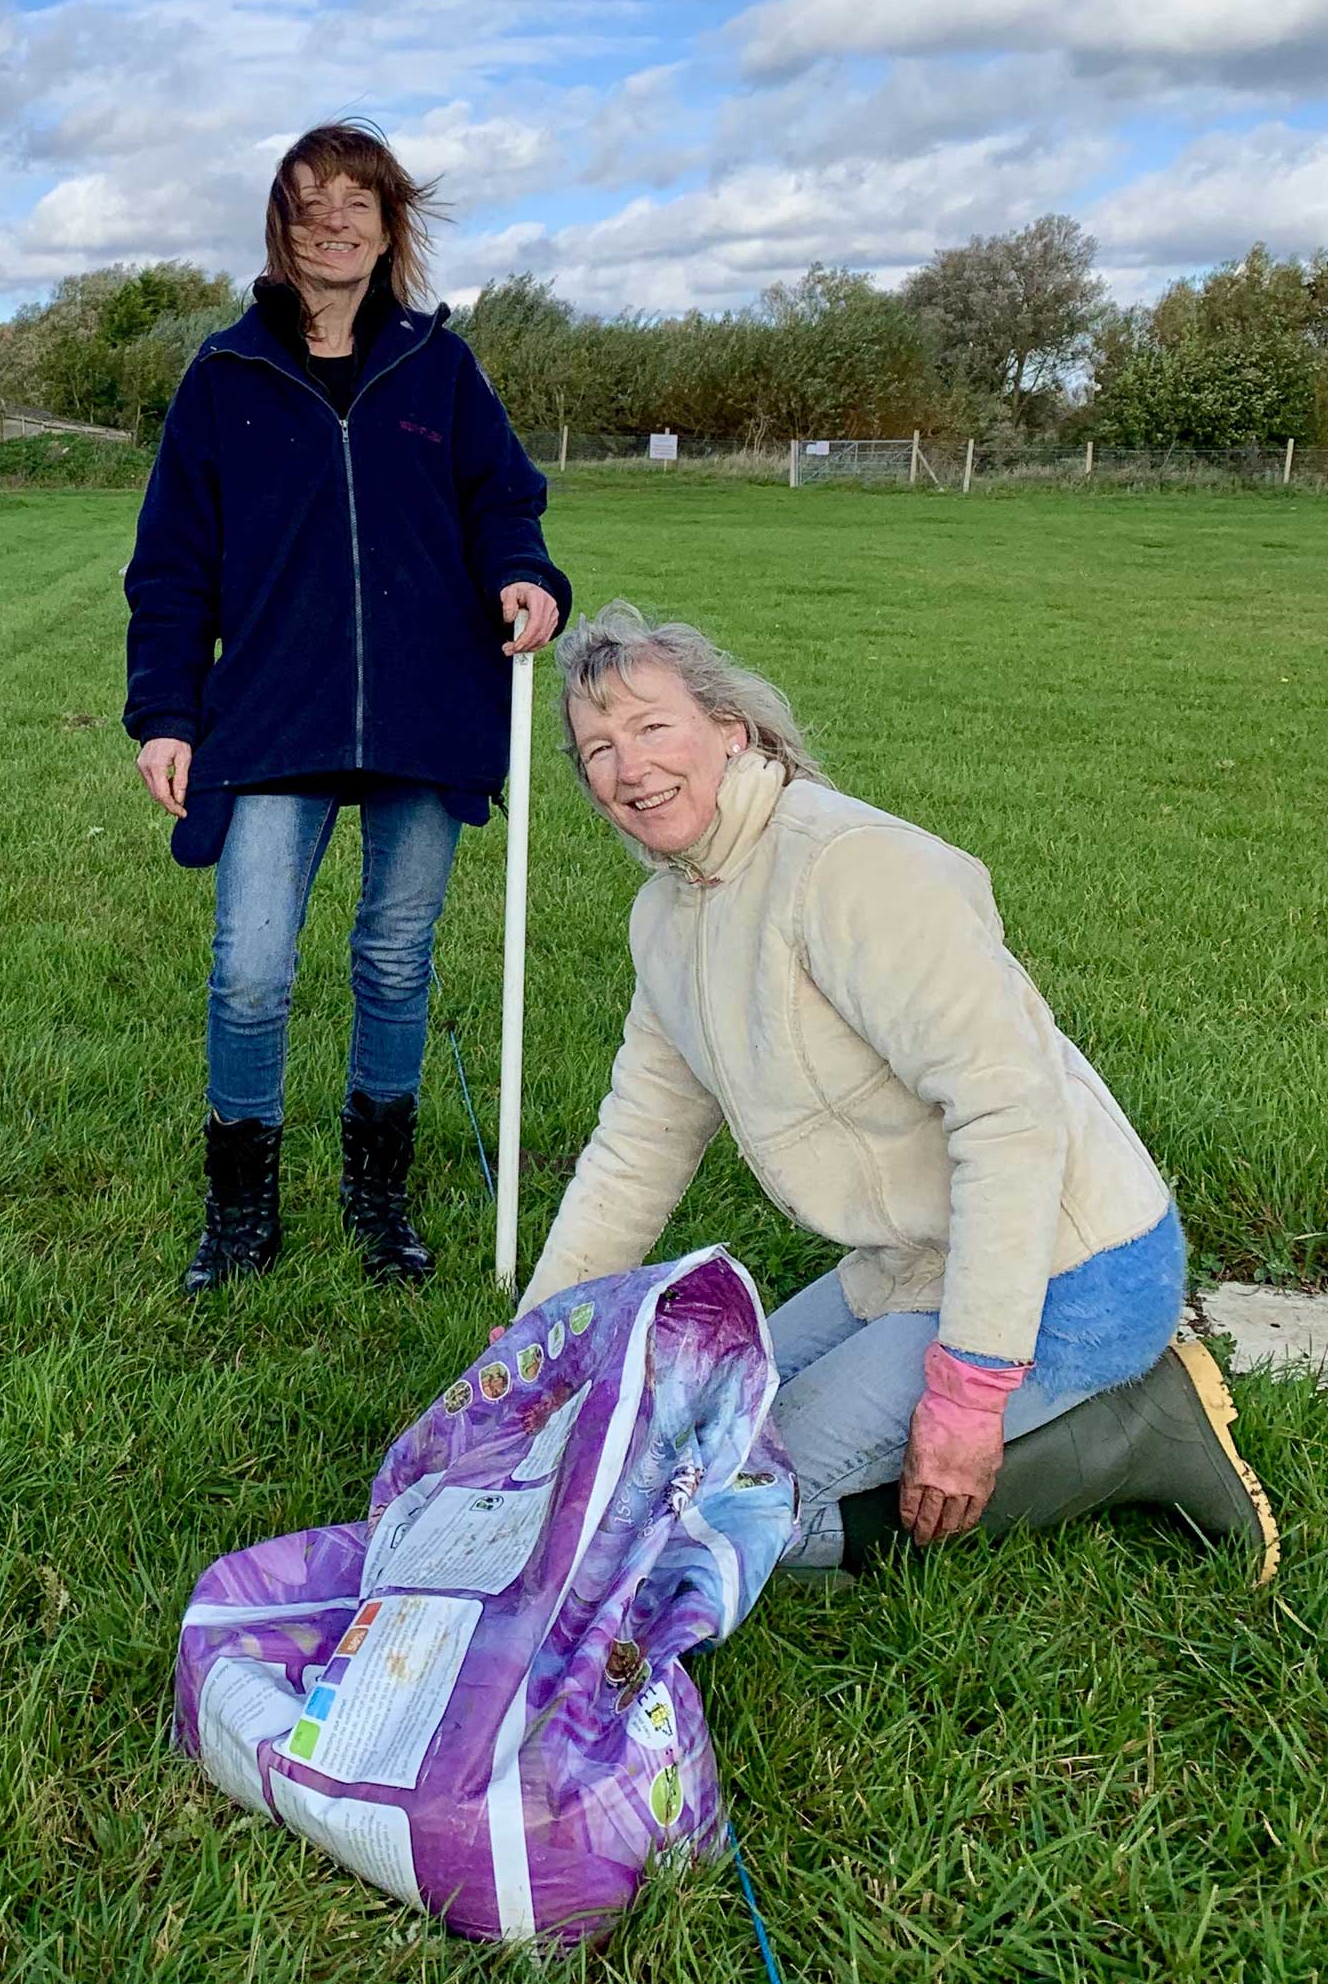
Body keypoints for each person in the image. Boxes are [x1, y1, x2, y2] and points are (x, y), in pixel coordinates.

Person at [516, 602, 1277, 1579]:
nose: (627, 766)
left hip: (1065, 1271)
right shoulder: (667, 916)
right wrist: (543, 1345)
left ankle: (1135, 1427)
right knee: (685, 1431)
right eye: (597, 748)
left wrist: (966, 1396)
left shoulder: (846, 866)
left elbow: (1009, 1117)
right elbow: (637, 1146)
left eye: (651, 725)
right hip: (913, 1256)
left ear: (729, 728)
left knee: (709, 1514)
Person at [124, 121, 571, 1294]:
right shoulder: (223, 377)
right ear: (279, 222)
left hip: (429, 710)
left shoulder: (441, 368)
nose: (333, 219)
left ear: (390, 227)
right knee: (251, 970)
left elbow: (502, 505)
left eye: (356, 202)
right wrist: (166, 711)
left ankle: (378, 1198)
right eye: (308, 200)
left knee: (391, 959)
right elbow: (170, 564)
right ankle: (240, 1209)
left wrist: (524, 574)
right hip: (270, 717)